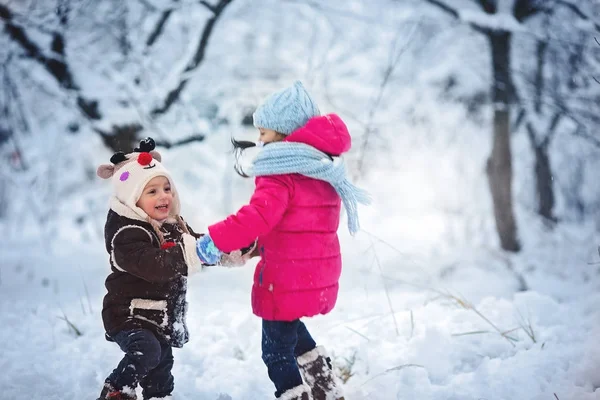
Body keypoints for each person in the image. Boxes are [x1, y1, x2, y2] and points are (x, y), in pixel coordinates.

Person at [195, 81, 370, 400]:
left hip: (285, 276)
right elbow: (297, 223)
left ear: (285, 133)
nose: (259, 141)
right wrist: (256, 246)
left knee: (275, 351)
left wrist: (216, 240)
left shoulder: (281, 171)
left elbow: (257, 216)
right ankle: (326, 388)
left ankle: (297, 395)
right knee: (293, 332)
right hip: (314, 272)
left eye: (264, 133)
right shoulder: (322, 167)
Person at [95, 138, 203, 400]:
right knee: (147, 350)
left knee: (161, 366)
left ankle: (159, 396)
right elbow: (156, 266)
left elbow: (195, 246)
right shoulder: (126, 235)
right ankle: (117, 391)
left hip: (157, 316)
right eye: (152, 191)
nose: (163, 195)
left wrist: (227, 246)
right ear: (133, 200)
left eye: (166, 188)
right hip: (127, 313)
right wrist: (193, 253)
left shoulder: (171, 225)